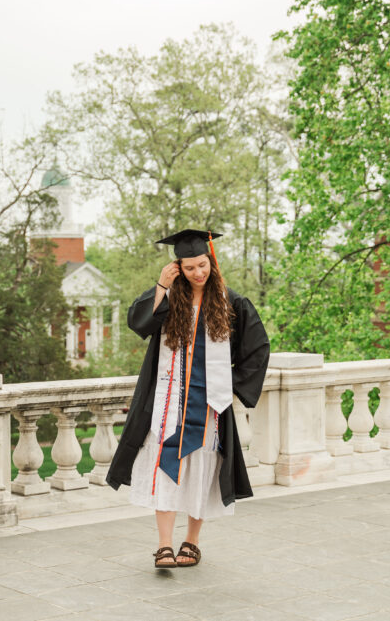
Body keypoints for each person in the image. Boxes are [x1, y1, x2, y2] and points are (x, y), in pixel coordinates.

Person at [106, 229, 270, 568]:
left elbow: (258, 349)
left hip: (210, 405)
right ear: (178, 266)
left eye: (202, 265)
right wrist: (162, 287)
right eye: (190, 267)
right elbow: (138, 322)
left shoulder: (231, 302)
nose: (198, 273)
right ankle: (164, 544)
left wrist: (230, 383)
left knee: (202, 470)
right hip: (167, 399)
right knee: (165, 465)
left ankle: (191, 542)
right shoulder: (167, 299)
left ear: (211, 261)